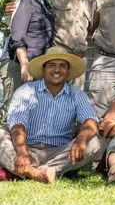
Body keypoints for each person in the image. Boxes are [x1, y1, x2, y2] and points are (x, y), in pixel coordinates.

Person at [0, 47, 102, 183]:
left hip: (60, 153)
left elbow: (90, 120)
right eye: (52, 65)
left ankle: (26, 171)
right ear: (43, 69)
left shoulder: (77, 94)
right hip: (27, 148)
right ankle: (37, 173)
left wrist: (81, 139)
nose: (57, 70)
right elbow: (18, 125)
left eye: (62, 66)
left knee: (97, 141)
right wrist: (23, 153)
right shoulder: (26, 90)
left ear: (68, 71)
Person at [3, 0, 94, 91]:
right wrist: (12, 8)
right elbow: (18, 23)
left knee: (68, 107)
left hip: (76, 64)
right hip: (47, 63)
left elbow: (93, 29)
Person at [0, 0, 56, 128]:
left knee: (30, 113)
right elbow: (18, 37)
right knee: (12, 113)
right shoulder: (26, 2)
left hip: (36, 64)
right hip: (17, 64)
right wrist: (25, 64)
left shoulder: (45, 3)